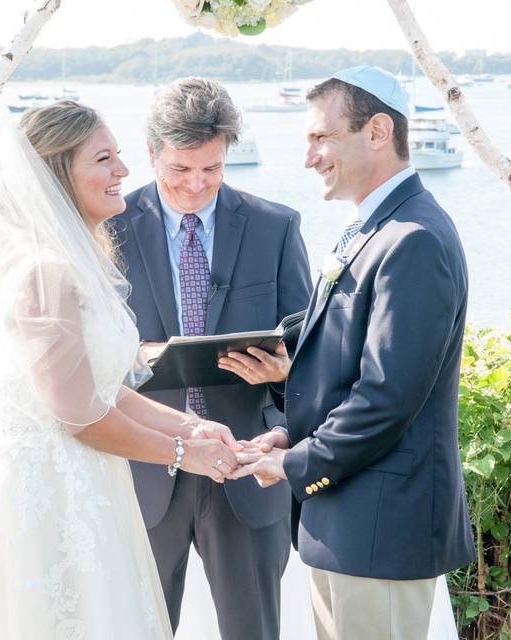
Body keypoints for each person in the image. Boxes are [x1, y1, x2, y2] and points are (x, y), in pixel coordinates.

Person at [0, 101, 242, 639]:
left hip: (86, 485)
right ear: (56, 175)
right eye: (104, 158)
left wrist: (188, 426)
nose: (123, 171)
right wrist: (184, 454)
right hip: (40, 497)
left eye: (119, 156)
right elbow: (80, 417)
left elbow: (105, 391)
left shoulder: (71, 264)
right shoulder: (43, 273)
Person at [225, 66, 475, 640]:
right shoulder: (374, 228)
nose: (309, 157)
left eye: (321, 137)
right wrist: (291, 430)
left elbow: (387, 397)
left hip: (382, 529)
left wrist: (295, 464)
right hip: (345, 525)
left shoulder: (412, 239)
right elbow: (350, 374)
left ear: (378, 130)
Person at [111, 78, 312, 639]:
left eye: (212, 169)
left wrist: (284, 371)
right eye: (180, 170)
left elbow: (308, 348)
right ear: (151, 155)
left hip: (247, 467)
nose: (197, 185)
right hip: (143, 472)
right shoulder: (108, 228)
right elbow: (84, 351)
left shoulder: (276, 226)